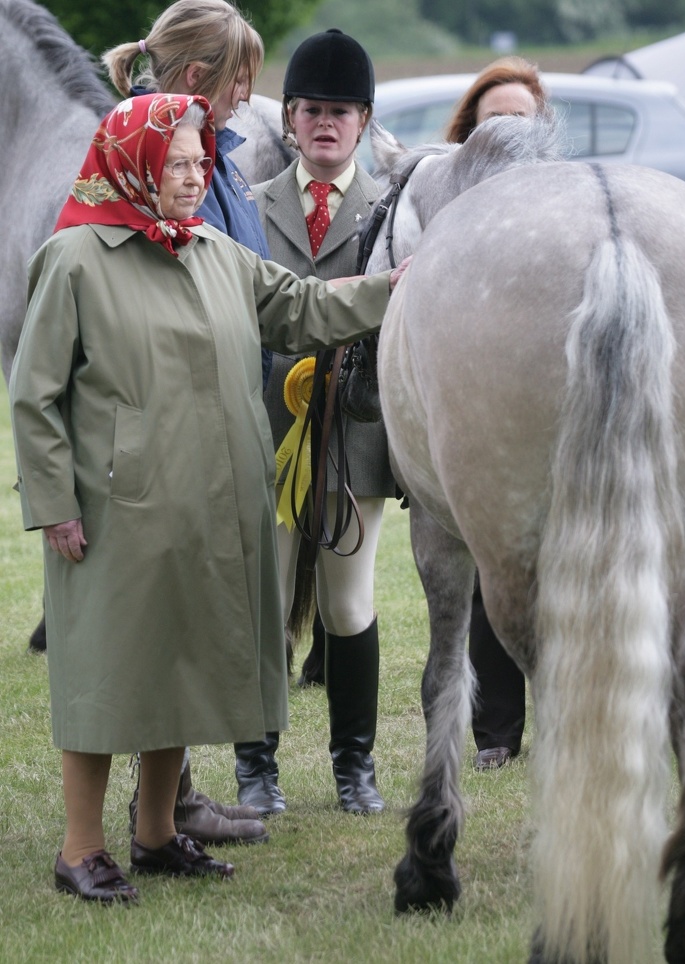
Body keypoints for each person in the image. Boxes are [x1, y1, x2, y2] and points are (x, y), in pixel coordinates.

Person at [9, 92, 405, 903]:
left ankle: (156, 834)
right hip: (119, 513)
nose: (196, 178)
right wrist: (54, 503)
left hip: (212, 503)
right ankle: (79, 849)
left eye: (201, 164)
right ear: (137, 163)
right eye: (180, 163)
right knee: (104, 676)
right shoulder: (76, 257)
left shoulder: (217, 250)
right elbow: (34, 395)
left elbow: (302, 307)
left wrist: (394, 287)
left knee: (179, 666)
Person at [102, 0, 278, 842]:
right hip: (173, 430)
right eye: (243, 78)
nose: (252, 96)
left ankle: (170, 801)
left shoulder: (219, 155)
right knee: (166, 619)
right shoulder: (150, 165)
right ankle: (158, 811)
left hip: (224, 413)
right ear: (204, 78)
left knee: (198, 613)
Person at [234, 29, 395, 817]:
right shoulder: (248, 203)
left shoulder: (388, 210)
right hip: (268, 433)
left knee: (346, 604)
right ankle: (255, 767)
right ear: (289, 119)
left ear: (363, 121)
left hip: (354, 438)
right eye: (310, 111)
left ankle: (353, 768)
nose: (324, 124)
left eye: (340, 111)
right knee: (264, 599)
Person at [445, 57, 551, 769]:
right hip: (488, 414)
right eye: (494, 120)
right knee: (494, 565)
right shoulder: (453, 218)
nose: (508, 132)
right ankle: (496, 735)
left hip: (556, 409)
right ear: (469, 135)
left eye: (521, 119)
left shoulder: (565, 211)